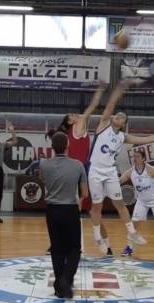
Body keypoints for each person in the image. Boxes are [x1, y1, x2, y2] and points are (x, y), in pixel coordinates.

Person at [88, 81, 154, 255]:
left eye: (122, 117)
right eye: (117, 114)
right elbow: (110, 105)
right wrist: (119, 90)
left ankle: (132, 233)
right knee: (96, 207)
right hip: (95, 170)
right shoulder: (103, 125)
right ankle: (98, 236)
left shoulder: (122, 137)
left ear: (123, 123)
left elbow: (146, 139)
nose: (118, 116)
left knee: (119, 204)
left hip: (110, 171)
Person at [39, 132, 89, 299]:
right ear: (68, 145)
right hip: (70, 209)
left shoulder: (44, 165)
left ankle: (59, 285)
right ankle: (66, 280)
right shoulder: (78, 165)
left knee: (57, 249)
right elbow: (85, 193)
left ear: (52, 147)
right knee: (74, 248)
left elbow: (44, 181)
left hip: (52, 210)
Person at [47, 83, 106, 214]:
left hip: (79, 164)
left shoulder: (74, 130)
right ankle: (77, 206)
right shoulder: (78, 125)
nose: (76, 115)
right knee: (83, 192)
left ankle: (76, 205)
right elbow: (92, 106)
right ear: (70, 122)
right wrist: (100, 90)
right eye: (72, 115)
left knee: (82, 192)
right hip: (77, 165)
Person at [119, 151, 154, 261]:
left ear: (143, 158)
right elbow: (120, 180)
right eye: (134, 156)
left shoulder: (151, 170)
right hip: (141, 201)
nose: (135, 158)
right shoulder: (130, 171)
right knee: (133, 226)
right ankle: (129, 248)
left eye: (137, 156)